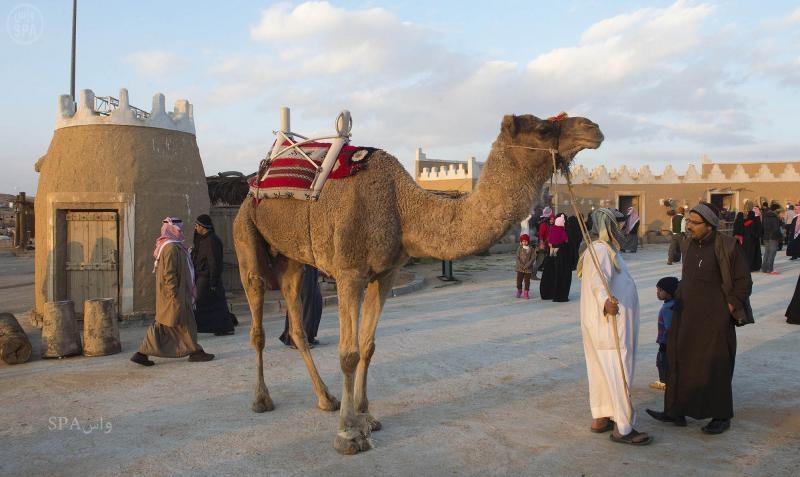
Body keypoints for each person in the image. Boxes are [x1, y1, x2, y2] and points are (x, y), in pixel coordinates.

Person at [647, 202, 752, 435]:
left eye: (694, 223)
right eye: (688, 222)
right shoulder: (688, 244)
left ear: (710, 225)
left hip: (715, 318)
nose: (689, 226)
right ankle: (676, 411)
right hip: (687, 314)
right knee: (679, 360)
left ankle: (721, 415)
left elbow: (744, 281)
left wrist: (730, 305)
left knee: (715, 366)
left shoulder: (728, 246)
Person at [577, 208, 651, 445]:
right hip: (610, 325)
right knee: (618, 371)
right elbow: (598, 282)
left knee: (601, 371)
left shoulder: (601, 249)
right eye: (616, 225)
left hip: (602, 324)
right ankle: (624, 427)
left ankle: (601, 416)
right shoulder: (600, 249)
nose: (620, 229)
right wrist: (605, 302)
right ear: (606, 226)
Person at [131, 217, 214, 366]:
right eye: (177, 228)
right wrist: (173, 295)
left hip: (178, 294)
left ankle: (143, 353)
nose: (180, 231)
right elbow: (169, 274)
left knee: (175, 323)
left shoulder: (175, 246)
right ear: (171, 229)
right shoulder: (169, 248)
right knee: (173, 323)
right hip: (174, 295)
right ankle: (195, 352)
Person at [191, 214, 237, 335]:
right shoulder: (204, 240)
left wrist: (213, 282)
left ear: (203, 227)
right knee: (209, 304)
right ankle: (218, 327)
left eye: (197, 226)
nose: (195, 228)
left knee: (212, 304)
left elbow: (214, 263)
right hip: (203, 278)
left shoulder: (212, 241)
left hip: (208, 279)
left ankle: (225, 327)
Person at [279, 265, 324, 348]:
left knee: (316, 300)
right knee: (304, 299)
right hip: (300, 263)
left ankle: (309, 336)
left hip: (311, 263)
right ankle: (298, 339)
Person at [650, 277, 678, 391]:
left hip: (666, 342)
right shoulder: (673, 304)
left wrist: (664, 343)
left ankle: (665, 382)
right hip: (669, 342)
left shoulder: (668, 308)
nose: (657, 293)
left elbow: (669, 328)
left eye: (660, 290)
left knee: (662, 361)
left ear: (670, 292)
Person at [539, 214, 567, 301]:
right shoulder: (562, 231)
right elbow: (565, 240)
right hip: (559, 255)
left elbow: (550, 240)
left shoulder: (552, 229)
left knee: (549, 273)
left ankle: (547, 293)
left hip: (550, 253)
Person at [760, 203, 782, 274]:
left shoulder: (765, 215)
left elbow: (762, 226)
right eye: (778, 209)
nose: (779, 211)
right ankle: (770, 269)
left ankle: (764, 268)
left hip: (766, 237)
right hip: (773, 237)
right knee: (772, 253)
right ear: (776, 209)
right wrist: (780, 236)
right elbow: (776, 229)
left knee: (767, 253)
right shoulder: (774, 217)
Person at [513, 234, 536, 299]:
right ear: (521, 242)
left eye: (526, 241)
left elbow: (533, 258)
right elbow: (517, 257)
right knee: (519, 281)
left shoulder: (531, 249)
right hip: (520, 268)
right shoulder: (519, 248)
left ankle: (526, 292)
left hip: (528, 269)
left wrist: (527, 265)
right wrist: (520, 264)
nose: (524, 242)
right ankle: (519, 290)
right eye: (523, 241)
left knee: (527, 281)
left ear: (528, 241)